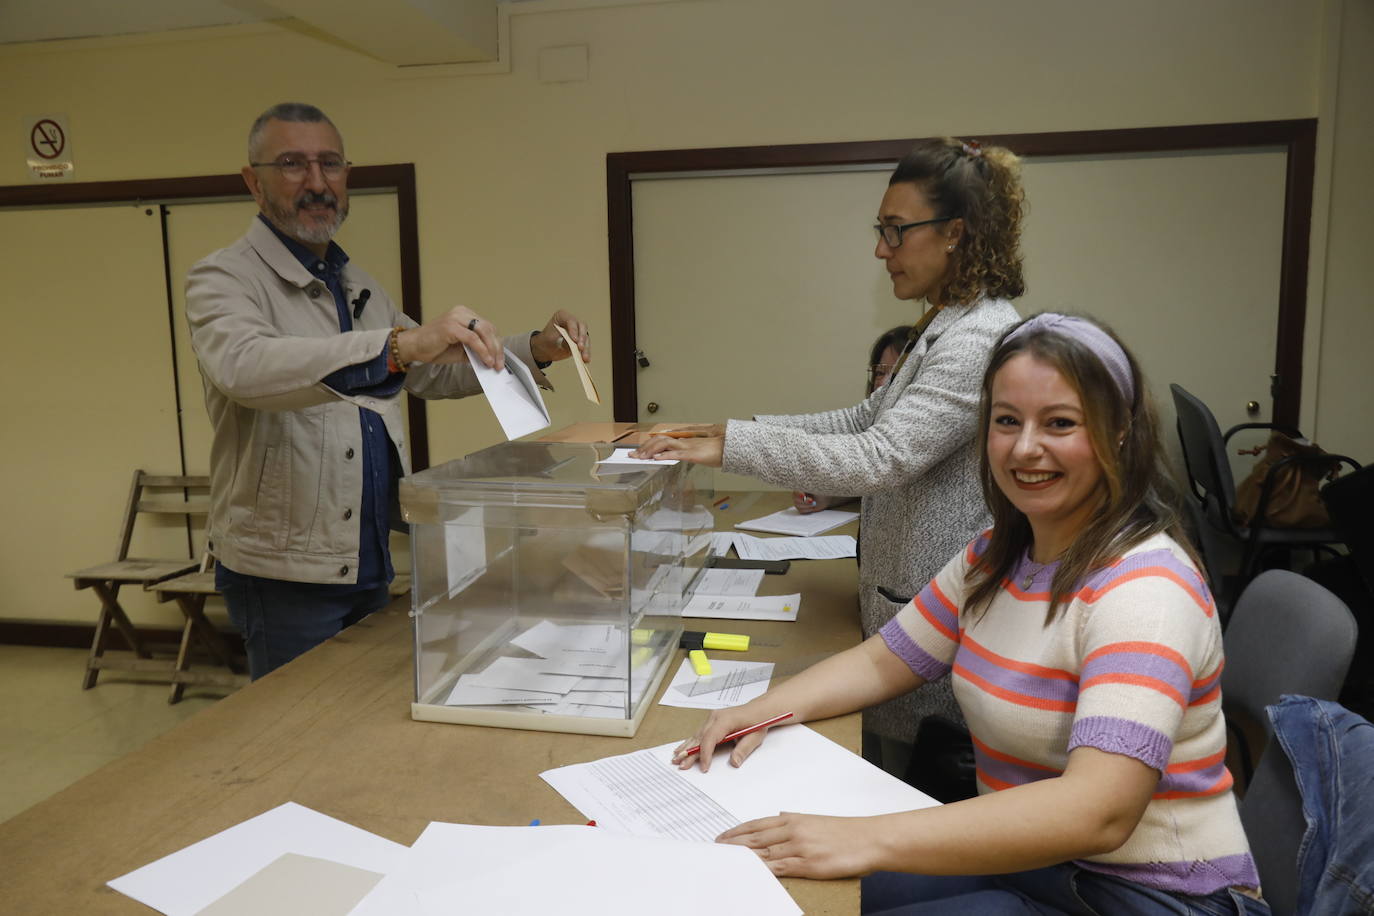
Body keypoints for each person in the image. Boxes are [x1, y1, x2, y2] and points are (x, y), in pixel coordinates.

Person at [674, 314, 1268, 915]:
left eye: (1059, 423)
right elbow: (885, 661)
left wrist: (863, 837)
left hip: (1151, 895)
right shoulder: (996, 554)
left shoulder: (1145, 589)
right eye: (1007, 421)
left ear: (1118, 433)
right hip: (1033, 862)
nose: (1025, 447)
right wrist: (755, 711)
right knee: (786, 887)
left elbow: (1100, 812)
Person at [634, 138, 1026, 779]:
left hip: (928, 641)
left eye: (896, 232)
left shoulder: (979, 335)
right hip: (902, 610)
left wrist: (733, 447)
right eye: (882, 230)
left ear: (955, 233)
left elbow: (882, 456)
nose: (881, 250)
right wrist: (725, 431)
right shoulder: (944, 320)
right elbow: (867, 419)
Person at [186, 102, 590, 680]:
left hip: (369, 554)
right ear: (253, 180)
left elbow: (426, 370)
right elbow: (247, 369)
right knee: (297, 729)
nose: (317, 182)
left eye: (330, 164)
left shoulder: (359, 286)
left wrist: (535, 347)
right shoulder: (222, 278)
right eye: (294, 165)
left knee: (357, 715)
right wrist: (402, 346)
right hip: (284, 570)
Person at [795, 324, 912, 514]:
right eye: (880, 372)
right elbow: (877, 482)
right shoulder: (870, 420)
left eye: (895, 374)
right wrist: (829, 496)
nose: (882, 382)